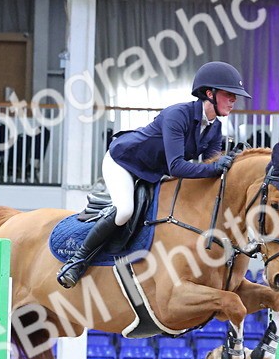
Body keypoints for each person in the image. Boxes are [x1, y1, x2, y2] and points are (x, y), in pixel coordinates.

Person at [57, 61, 251, 288]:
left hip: (153, 173)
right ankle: (77, 261)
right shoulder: (177, 115)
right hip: (124, 162)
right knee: (124, 211)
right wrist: (216, 167)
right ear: (210, 93)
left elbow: (210, 167)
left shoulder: (215, 128)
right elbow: (177, 166)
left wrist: (232, 164)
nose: (234, 100)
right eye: (229, 94)